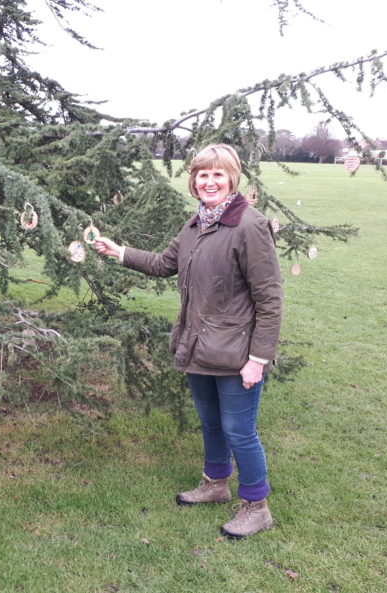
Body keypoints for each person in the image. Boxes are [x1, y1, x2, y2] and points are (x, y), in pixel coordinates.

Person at [95, 144, 283, 539]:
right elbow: (165, 264)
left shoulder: (249, 225)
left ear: (232, 178)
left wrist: (258, 359)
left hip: (236, 352)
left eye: (218, 174)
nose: (209, 181)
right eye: (202, 174)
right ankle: (215, 484)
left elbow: (270, 299)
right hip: (196, 345)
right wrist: (120, 251)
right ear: (193, 181)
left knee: (239, 431)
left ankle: (256, 506)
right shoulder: (195, 223)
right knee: (211, 423)